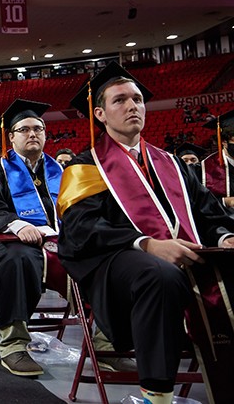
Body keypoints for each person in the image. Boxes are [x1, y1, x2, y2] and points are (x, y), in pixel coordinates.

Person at [57, 62, 234, 404]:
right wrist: (148, 244)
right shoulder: (84, 167)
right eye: (120, 100)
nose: (132, 107)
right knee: (161, 275)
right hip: (117, 266)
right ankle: (158, 393)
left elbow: (208, 214)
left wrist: (224, 236)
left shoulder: (172, 163)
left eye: (137, 99)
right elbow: (82, 230)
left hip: (189, 257)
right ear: (101, 113)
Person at [0, 99, 63, 377]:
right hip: (10, 241)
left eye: (38, 128)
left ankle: (106, 342)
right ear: (11, 137)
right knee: (16, 259)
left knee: (104, 254)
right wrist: (15, 222)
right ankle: (13, 343)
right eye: (24, 129)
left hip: (60, 241)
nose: (32, 133)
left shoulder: (60, 171)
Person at [201, 109, 234, 209]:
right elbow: (199, 204)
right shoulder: (205, 169)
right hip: (224, 222)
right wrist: (225, 202)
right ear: (224, 142)